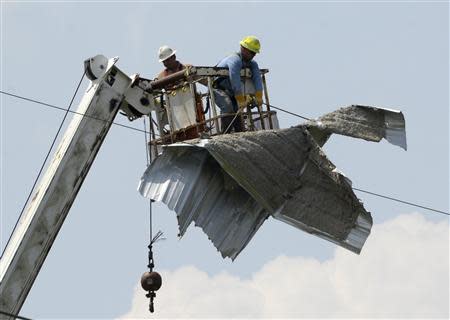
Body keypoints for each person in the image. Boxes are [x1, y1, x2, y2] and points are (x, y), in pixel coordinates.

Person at [213, 36, 264, 133]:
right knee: (228, 107)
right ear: (243, 49)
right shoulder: (234, 60)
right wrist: (240, 99)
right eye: (251, 52)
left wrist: (259, 96)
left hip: (232, 92)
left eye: (254, 53)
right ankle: (225, 134)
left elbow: (257, 78)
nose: (253, 55)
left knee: (237, 112)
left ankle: (239, 134)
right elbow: (235, 80)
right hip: (218, 88)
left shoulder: (252, 64)